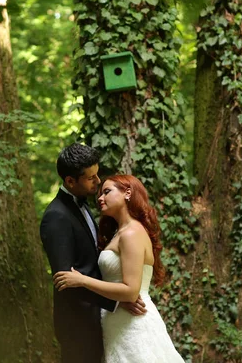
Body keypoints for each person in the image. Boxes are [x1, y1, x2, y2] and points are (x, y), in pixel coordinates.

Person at [53, 174, 184, 363]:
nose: (100, 198)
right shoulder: (118, 233)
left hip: (133, 323)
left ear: (127, 193)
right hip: (117, 321)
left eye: (107, 192)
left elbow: (131, 292)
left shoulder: (132, 233)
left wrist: (82, 280)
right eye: (100, 194)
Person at [40, 144, 146, 363]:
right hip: (78, 325)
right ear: (70, 181)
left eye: (97, 174)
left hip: (97, 319)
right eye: (91, 178)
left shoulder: (84, 206)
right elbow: (66, 281)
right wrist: (116, 301)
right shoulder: (56, 217)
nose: (98, 182)